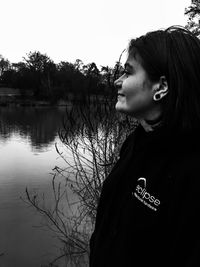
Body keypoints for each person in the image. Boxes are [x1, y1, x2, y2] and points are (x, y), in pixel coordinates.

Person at [89, 25, 200, 267]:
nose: (117, 81)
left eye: (128, 73)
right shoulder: (136, 142)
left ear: (161, 87)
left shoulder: (192, 169)